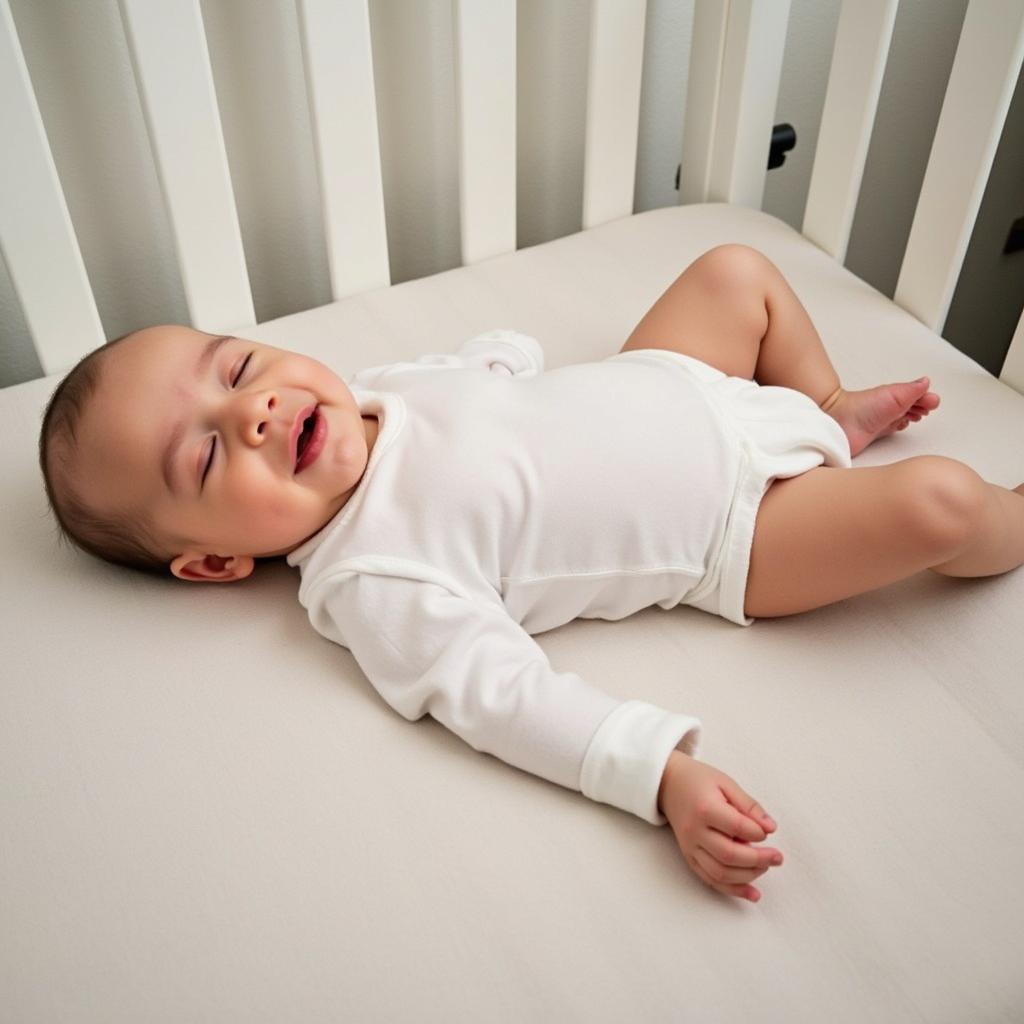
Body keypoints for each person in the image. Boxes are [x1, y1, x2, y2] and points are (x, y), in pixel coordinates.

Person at [37, 244, 1024, 905]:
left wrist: (498, 355)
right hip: (735, 525)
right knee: (934, 502)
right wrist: (660, 774)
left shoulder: (379, 389)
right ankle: (1010, 521)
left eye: (239, 367)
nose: (249, 413)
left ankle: (827, 405)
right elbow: (504, 697)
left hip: (670, 378)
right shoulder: (371, 578)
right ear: (216, 559)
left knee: (734, 272)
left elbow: (480, 380)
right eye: (207, 458)